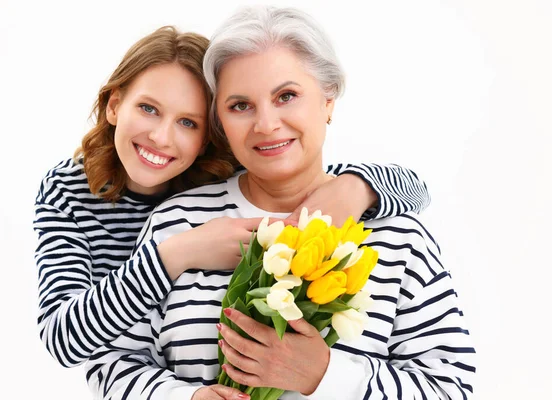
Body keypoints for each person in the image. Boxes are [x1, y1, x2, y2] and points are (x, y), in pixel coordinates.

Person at [84, 6, 475, 400]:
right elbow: (114, 362)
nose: (266, 124)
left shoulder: (399, 238)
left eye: (286, 96)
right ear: (219, 121)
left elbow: (451, 389)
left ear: (328, 100)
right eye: (240, 105)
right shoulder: (177, 222)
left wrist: (324, 376)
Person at [33, 25, 432, 370]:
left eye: (188, 122)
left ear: (212, 133)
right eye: (148, 108)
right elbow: (63, 339)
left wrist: (358, 186)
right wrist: (177, 253)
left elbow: (416, 188)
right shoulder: (68, 190)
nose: (161, 137)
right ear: (116, 105)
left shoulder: (226, 172)